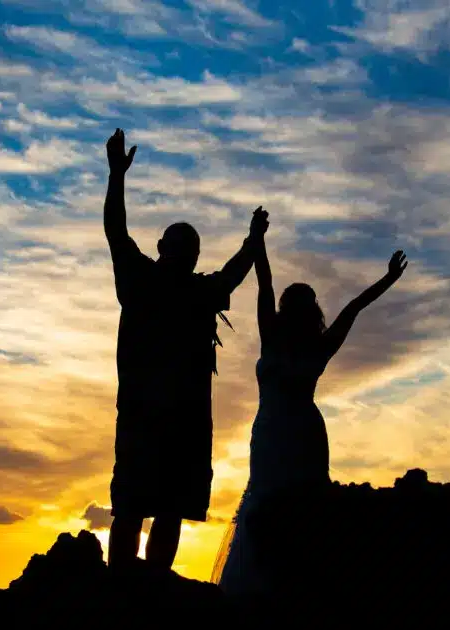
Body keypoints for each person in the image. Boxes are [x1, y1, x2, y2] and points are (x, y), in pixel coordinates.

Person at [103, 128, 269, 571]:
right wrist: (116, 175)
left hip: (181, 420)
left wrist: (254, 240)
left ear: (194, 255)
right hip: (146, 415)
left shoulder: (193, 290)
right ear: (162, 248)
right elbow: (116, 232)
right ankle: (122, 585)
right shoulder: (144, 280)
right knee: (135, 507)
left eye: (189, 247)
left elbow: (234, 272)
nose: (183, 252)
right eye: (177, 245)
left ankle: (145, 586)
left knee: (165, 508)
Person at [212, 223, 408, 594]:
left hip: (285, 433)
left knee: (282, 504)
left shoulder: (285, 339)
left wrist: (260, 240)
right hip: (280, 434)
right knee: (275, 502)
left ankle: (275, 588)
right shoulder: (306, 343)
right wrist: (388, 278)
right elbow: (352, 306)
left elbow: (271, 285)